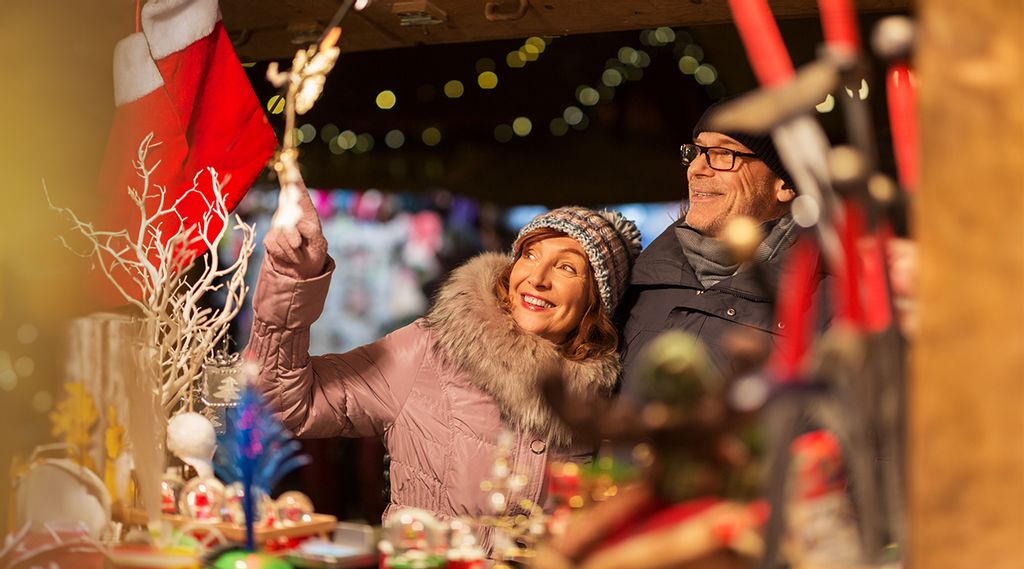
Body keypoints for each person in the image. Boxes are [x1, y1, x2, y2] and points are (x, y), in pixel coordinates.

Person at [244, 188, 642, 538]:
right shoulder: (430, 351)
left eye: (567, 267)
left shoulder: (601, 403)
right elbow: (286, 404)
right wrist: (291, 280)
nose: (536, 278)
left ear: (596, 302)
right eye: (530, 254)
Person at [618, 102, 805, 392]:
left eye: (723, 153)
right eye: (697, 151)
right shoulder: (636, 283)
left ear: (784, 184)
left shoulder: (823, 300)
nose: (696, 168)